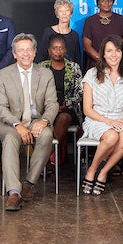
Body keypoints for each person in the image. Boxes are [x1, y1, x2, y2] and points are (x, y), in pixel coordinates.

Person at [0, 34, 59, 209]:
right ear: (14, 54)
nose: (25, 54)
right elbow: (1, 107)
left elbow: (52, 103)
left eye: (28, 50)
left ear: (35, 52)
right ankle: (14, 193)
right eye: (21, 50)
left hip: (36, 120)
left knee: (46, 135)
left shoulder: (45, 74)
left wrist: (45, 120)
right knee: (9, 139)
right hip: (11, 123)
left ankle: (28, 184)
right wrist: (17, 125)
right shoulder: (3, 75)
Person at [79, 35, 123, 196]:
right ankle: (92, 169)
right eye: (109, 51)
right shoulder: (92, 74)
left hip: (119, 120)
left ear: (122, 53)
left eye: (117, 50)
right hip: (97, 119)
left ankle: (103, 172)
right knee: (111, 137)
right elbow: (87, 109)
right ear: (103, 54)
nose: (114, 54)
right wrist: (108, 121)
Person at [40, 34, 83, 169]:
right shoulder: (41, 67)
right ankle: (49, 158)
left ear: (65, 50)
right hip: (46, 108)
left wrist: (64, 105)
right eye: (55, 48)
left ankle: (45, 156)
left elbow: (80, 92)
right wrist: (51, 106)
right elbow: (36, 92)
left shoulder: (74, 67)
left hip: (69, 108)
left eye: (61, 48)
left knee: (63, 117)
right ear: (49, 50)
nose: (58, 51)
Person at [81, 0, 123, 70]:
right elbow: (87, 46)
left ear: (113, 2)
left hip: (117, 66)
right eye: (103, 0)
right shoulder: (90, 21)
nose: (107, 3)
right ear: (97, 3)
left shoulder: (121, 20)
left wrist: (114, 60)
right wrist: (103, 60)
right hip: (96, 66)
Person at [37, 0, 82, 66]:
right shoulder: (48, 32)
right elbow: (42, 55)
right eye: (61, 11)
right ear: (57, 15)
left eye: (67, 10)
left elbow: (77, 58)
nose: (64, 13)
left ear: (71, 14)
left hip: (69, 72)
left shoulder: (74, 35)